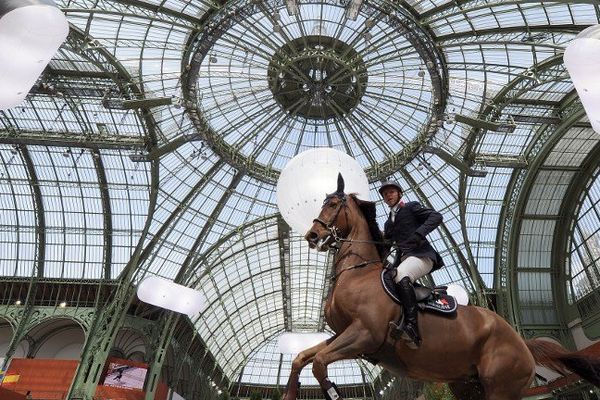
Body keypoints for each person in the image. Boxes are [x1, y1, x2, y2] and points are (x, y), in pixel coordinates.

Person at [379, 181, 444, 348]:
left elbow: (436, 216)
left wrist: (418, 234)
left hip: (422, 256)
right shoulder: (389, 222)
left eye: (392, 192)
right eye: (386, 194)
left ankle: (412, 328)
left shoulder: (411, 207)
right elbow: (386, 245)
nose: (388, 195)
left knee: (401, 275)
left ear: (399, 193)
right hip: (405, 260)